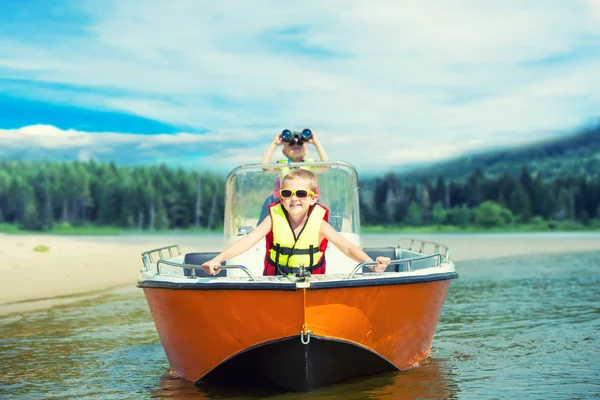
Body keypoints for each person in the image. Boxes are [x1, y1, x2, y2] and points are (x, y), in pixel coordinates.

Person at [203, 169, 391, 276]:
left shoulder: (319, 223)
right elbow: (247, 241)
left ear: (313, 198)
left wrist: (372, 264)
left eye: (301, 194)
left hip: (310, 282)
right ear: (281, 197)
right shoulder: (273, 218)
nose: (294, 199)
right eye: (287, 194)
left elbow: (348, 248)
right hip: (278, 279)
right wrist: (218, 259)